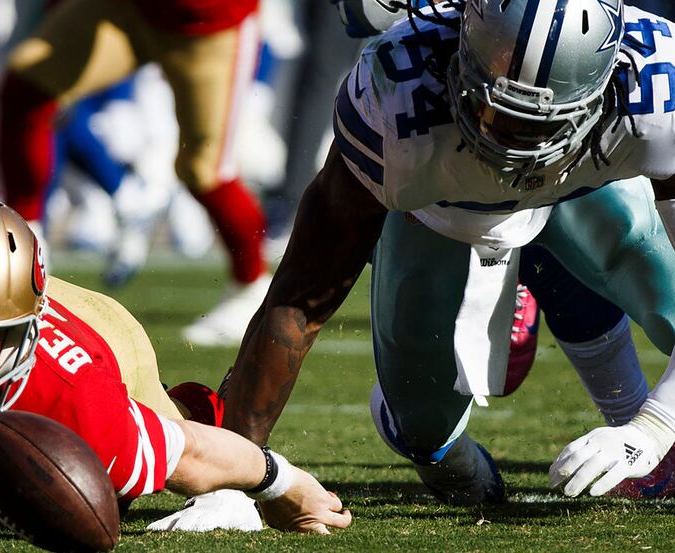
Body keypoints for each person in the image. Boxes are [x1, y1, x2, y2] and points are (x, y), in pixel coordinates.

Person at [201, 0, 675, 508]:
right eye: (495, 109)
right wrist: (233, 481)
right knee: (424, 427)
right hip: (440, 218)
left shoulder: (657, 90)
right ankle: (434, 445)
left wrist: (651, 428)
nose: (508, 141)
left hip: (581, 189)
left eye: (538, 125)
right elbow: (300, 300)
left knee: (658, 285)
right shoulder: (395, 93)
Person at [0, 193, 351, 537]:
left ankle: (186, 409)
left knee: (117, 482)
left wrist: (282, 482)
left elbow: (187, 454)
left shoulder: (72, 391)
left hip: (100, 335)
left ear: (21, 335)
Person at [0, 0, 272, 347]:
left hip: (206, 24)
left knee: (204, 171)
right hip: (129, 9)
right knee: (28, 83)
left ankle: (252, 284)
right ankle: (26, 243)